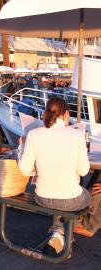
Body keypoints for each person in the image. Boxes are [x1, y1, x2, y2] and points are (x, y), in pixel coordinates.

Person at [18, 97, 91, 255]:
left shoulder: (33, 134)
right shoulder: (77, 135)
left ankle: (58, 232)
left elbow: (24, 170)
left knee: (59, 193)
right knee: (86, 195)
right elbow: (84, 171)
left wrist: (21, 147)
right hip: (70, 200)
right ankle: (63, 233)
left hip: (42, 197)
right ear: (66, 114)